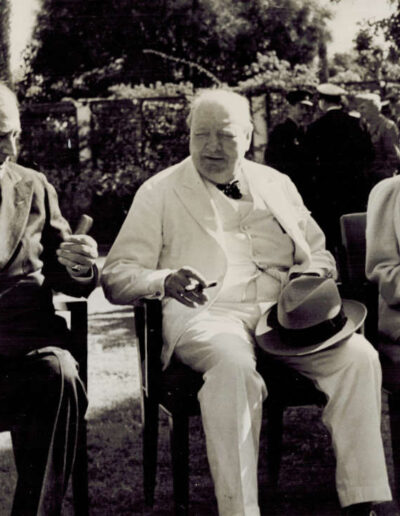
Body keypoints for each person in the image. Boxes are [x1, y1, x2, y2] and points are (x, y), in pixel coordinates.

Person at [101, 89, 391, 516]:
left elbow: (318, 251)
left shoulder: (277, 183)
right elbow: (117, 273)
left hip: (285, 317)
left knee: (359, 358)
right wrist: (165, 279)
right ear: (188, 136)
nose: (211, 148)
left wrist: (310, 277)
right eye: (201, 135)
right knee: (234, 369)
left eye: (225, 136)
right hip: (208, 313)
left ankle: (363, 498)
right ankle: (239, 509)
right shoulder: (159, 191)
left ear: (249, 137)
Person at [0, 83, 98, 515]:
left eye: (13, 134)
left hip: (24, 347)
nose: (8, 146)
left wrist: (81, 264)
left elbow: (70, 275)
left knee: (59, 373)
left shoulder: (34, 186)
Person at [303, 83, 373, 256]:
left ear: (322, 102)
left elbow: (307, 162)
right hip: (354, 188)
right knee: (355, 234)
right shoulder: (356, 124)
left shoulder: (315, 128)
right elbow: (369, 154)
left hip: (327, 190)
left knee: (331, 236)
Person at [264, 89, 314, 204]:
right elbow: (272, 160)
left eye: (306, 108)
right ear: (290, 107)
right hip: (287, 188)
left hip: (304, 189)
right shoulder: (280, 132)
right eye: (300, 107)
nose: (305, 111)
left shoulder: (304, 132)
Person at [356, 93, 400, 190]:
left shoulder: (387, 126)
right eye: (359, 108)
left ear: (374, 108)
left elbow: (394, 157)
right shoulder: (362, 126)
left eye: (363, 108)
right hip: (366, 179)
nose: (360, 111)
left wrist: (382, 176)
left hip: (381, 181)